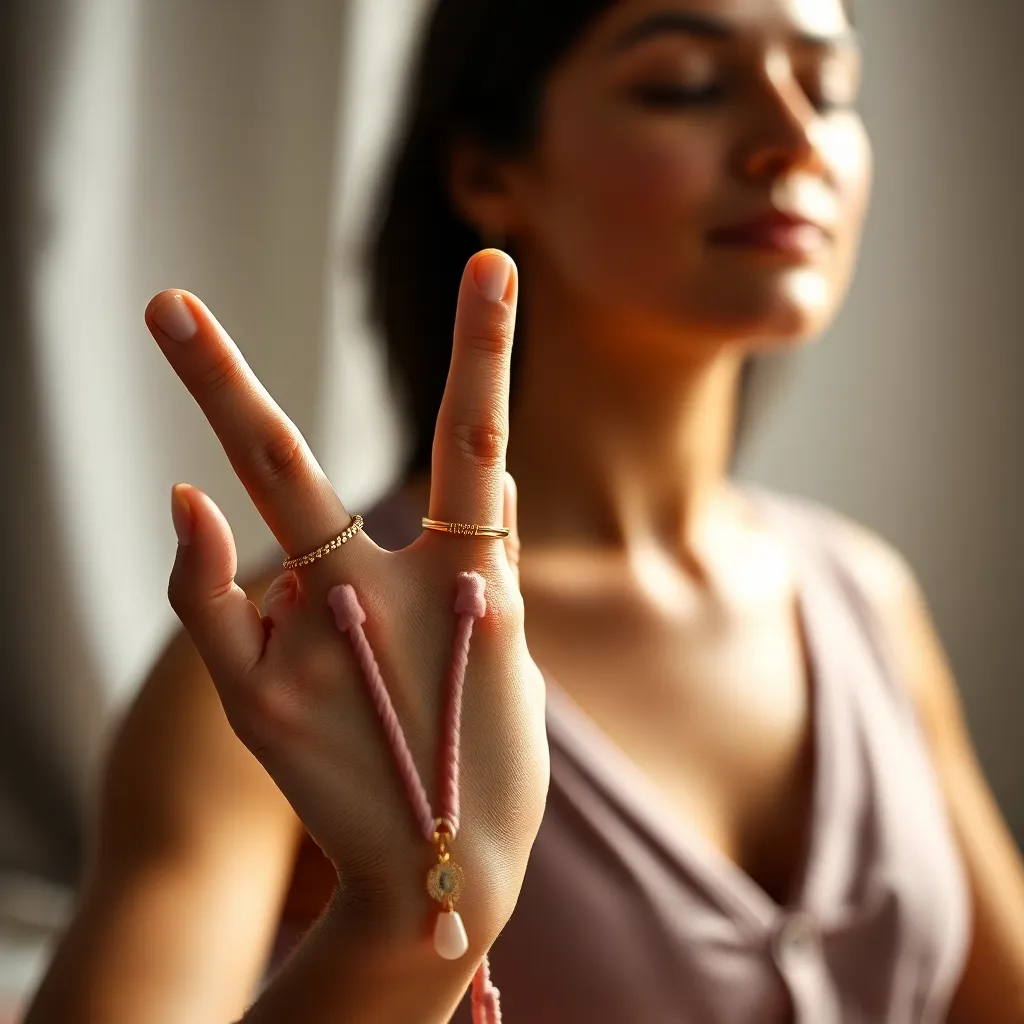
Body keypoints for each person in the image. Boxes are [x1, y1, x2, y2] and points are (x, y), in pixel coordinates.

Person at [24, 0, 1024, 1021]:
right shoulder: (283, 665)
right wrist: (396, 932)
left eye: (828, 89)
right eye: (684, 83)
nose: (794, 140)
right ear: (488, 172)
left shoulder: (865, 594)